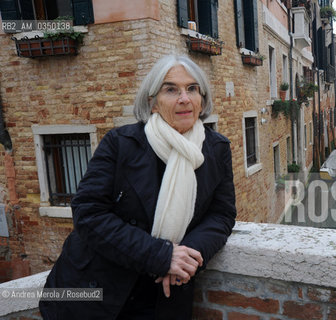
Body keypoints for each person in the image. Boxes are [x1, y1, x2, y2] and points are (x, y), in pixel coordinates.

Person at [39, 55, 237, 319]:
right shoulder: (120, 143)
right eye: (171, 89)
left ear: (202, 98)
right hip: (94, 291)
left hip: (163, 296)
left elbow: (221, 214)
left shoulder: (216, 148)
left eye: (192, 88)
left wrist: (187, 257)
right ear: (152, 103)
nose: (184, 99)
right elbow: (88, 213)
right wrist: (162, 256)